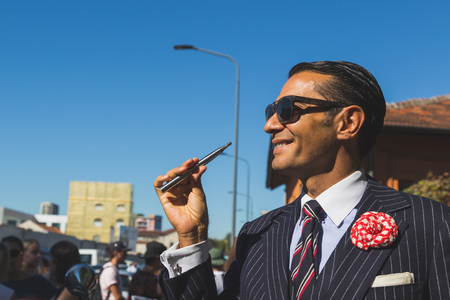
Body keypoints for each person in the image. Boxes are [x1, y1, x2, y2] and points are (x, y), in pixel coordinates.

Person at [153, 61, 450, 299]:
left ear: (347, 123)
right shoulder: (256, 235)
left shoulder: (431, 224)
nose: (270, 125)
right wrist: (192, 236)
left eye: (288, 110)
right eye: (272, 111)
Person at [1, 236, 57, 300]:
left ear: (22, 256)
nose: (9, 257)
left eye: (13, 253)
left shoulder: (39, 282)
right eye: (5, 254)